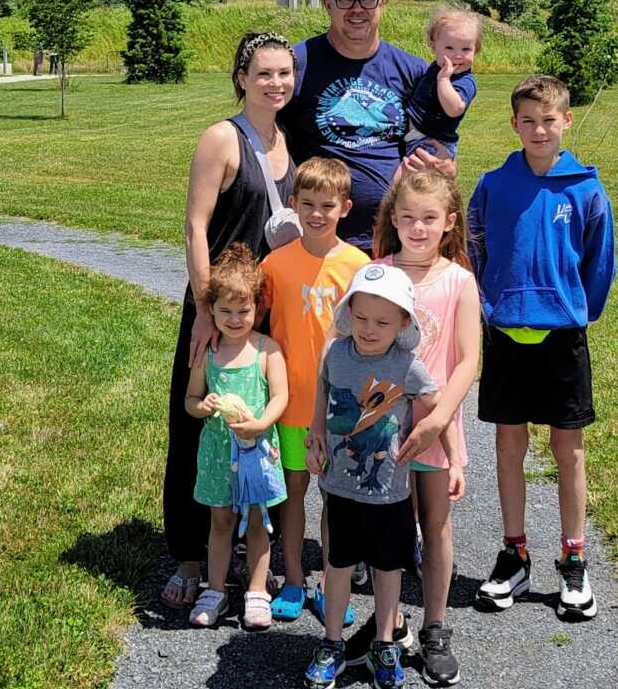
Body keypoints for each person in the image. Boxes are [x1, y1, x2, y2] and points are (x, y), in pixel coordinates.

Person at [468, 74, 616, 622]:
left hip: (563, 335)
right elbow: (474, 242)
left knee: (567, 447)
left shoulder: (585, 188)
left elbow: (600, 261)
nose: (538, 130)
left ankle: (573, 559)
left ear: (566, 121)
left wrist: (579, 310)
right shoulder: (493, 184)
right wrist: (487, 302)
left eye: (548, 120)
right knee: (510, 445)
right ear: (513, 124)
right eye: (527, 120)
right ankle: (514, 554)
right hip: (505, 330)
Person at [160, 32, 296, 611]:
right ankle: (190, 558)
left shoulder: (287, 141)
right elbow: (195, 226)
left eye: (285, 73)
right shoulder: (223, 137)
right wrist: (202, 307)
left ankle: (246, 544)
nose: (276, 83)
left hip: (264, 313)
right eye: (264, 73)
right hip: (217, 307)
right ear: (242, 78)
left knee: (257, 426)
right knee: (195, 426)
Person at [343, 168, 478, 686]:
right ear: (392, 219)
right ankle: (389, 622)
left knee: (436, 524)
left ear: (448, 222)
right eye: (407, 218)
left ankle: (436, 626)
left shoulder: (459, 280)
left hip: (436, 427)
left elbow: (468, 360)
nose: (417, 228)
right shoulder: (377, 273)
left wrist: (441, 419)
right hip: (380, 427)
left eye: (429, 219)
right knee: (388, 526)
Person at [305, 263, 460, 689]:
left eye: (382, 322)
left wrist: (456, 461)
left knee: (388, 570)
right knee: (337, 565)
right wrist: (315, 434)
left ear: (403, 324)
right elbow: (323, 391)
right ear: (348, 312)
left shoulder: (408, 366)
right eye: (360, 318)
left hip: (390, 494)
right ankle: (332, 643)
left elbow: (438, 412)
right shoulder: (336, 354)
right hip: (339, 488)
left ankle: (385, 643)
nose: (369, 329)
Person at [259, 156, 369, 624]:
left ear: (345, 207)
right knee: (291, 493)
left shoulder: (359, 265)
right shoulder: (275, 265)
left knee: (333, 499)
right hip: (288, 404)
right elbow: (257, 329)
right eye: (308, 204)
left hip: (341, 410)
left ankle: (330, 582)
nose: (317, 214)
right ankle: (293, 580)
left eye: (328, 205)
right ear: (294, 204)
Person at [280, 0, 453, 254]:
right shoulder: (298, 64)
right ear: (327, 4)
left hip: (393, 241)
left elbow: (437, 140)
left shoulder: (413, 71)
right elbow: (264, 131)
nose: (357, 8)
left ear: (381, 3)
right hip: (320, 243)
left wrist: (444, 165)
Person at [185, 245, 288, 629]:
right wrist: (204, 404)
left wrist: (262, 423)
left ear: (256, 309)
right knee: (222, 522)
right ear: (211, 310)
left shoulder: (267, 350)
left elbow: (281, 396)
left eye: (243, 311)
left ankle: (257, 591)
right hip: (216, 453)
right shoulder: (207, 354)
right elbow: (190, 401)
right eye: (225, 311)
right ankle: (215, 589)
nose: (234, 319)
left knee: (259, 521)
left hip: (258, 451)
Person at [405, 7, 482, 157]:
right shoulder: (434, 69)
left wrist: (444, 80)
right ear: (434, 46)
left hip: (433, 143)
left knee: (417, 178)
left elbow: (455, 109)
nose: (457, 55)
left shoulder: (464, 81)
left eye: (466, 49)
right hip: (415, 135)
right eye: (449, 48)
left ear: (476, 50)